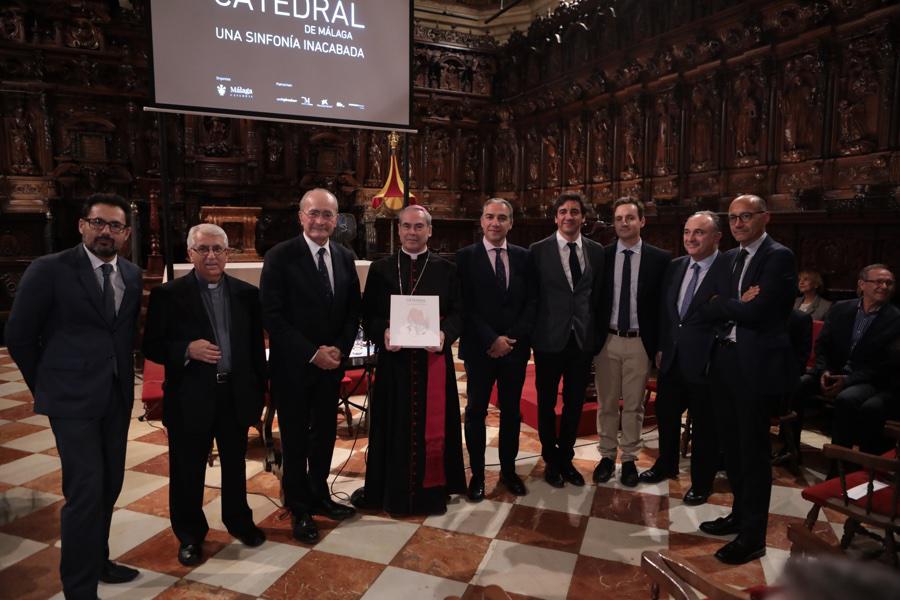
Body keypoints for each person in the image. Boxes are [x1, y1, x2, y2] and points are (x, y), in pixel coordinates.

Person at [6, 193, 143, 598]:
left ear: (126, 234)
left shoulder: (132, 275)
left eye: (115, 225)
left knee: (110, 485)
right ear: (82, 225)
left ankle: (98, 560)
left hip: (115, 397)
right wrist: (49, 385)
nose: (106, 231)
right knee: (84, 491)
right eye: (98, 222)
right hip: (72, 401)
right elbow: (19, 336)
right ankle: (79, 588)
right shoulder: (49, 269)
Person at [142, 224, 268, 566]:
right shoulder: (168, 295)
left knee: (235, 465)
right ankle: (190, 535)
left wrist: (257, 394)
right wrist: (186, 349)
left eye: (218, 249)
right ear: (190, 254)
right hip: (190, 396)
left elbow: (256, 349)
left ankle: (239, 521)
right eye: (203, 249)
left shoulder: (246, 294)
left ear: (228, 254)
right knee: (187, 469)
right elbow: (150, 347)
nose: (211, 255)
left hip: (235, 394)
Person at [698, 194, 797, 565]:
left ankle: (753, 536)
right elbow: (704, 305)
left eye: (746, 217)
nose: (738, 223)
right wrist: (734, 302)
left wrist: (728, 303)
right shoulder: (728, 257)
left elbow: (758, 313)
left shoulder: (778, 257)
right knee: (732, 449)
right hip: (724, 360)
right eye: (733, 218)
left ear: (764, 218)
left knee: (754, 453)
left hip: (755, 366)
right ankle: (739, 515)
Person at [260, 188, 361, 543]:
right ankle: (299, 506)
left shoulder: (345, 256)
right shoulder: (279, 256)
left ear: (337, 220)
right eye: (314, 213)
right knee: (295, 437)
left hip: (330, 365)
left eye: (328, 215)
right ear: (301, 216)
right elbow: (271, 315)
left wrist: (339, 349)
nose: (320, 221)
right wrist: (311, 352)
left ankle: (320, 494)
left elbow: (352, 311)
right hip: (293, 366)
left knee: (325, 435)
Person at [351, 205, 466, 515]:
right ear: (398, 230)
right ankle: (389, 491)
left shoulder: (446, 269)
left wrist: (444, 335)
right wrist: (383, 332)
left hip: (433, 365)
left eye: (418, 226)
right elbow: (369, 314)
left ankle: (433, 492)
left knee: (434, 427)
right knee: (393, 426)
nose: (412, 232)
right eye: (406, 226)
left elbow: (459, 312)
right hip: (395, 365)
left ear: (430, 230)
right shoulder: (382, 269)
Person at [638, 211, 728, 505]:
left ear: (716, 237)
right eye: (688, 232)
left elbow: (731, 315)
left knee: (706, 426)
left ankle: (702, 482)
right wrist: (663, 346)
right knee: (666, 416)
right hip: (672, 359)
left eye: (699, 232)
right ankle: (666, 464)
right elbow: (668, 313)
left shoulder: (728, 268)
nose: (691, 238)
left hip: (707, 361)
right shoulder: (675, 266)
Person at [456, 198, 535, 500]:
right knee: (476, 411)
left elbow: (532, 302)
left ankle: (508, 470)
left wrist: (510, 339)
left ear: (511, 223)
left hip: (514, 350)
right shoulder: (465, 257)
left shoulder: (524, 257)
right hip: (480, 349)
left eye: (502, 218)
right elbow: (464, 305)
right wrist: (492, 339)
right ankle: (477, 473)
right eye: (490, 216)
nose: (495, 223)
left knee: (512, 412)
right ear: (482, 221)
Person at [528, 192, 605, 488]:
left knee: (575, 403)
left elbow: (597, 296)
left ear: (583, 217)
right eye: (563, 211)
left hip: (582, 339)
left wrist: (595, 335)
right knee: (546, 402)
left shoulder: (597, 251)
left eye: (575, 211)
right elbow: (532, 296)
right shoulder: (538, 250)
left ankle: (566, 458)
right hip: (549, 339)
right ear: (555, 217)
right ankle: (550, 458)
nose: (569, 216)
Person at [593, 198, 671, 487]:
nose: (624, 223)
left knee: (635, 405)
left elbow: (665, 307)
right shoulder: (602, 255)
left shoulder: (660, 259)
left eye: (630, 217)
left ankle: (628, 460)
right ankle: (606, 455)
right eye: (618, 218)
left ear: (642, 221)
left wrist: (661, 345)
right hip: (608, 339)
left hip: (640, 341)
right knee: (607, 403)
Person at [813, 264, 900, 456]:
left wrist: (847, 380)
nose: (884, 287)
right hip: (832, 371)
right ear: (862, 284)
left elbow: (886, 365)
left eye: (889, 283)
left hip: (868, 379)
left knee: (847, 398)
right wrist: (824, 370)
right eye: (878, 282)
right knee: (797, 384)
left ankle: (840, 461)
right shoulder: (841, 308)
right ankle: (790, 448)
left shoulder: (896, 319)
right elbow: (822, 345)